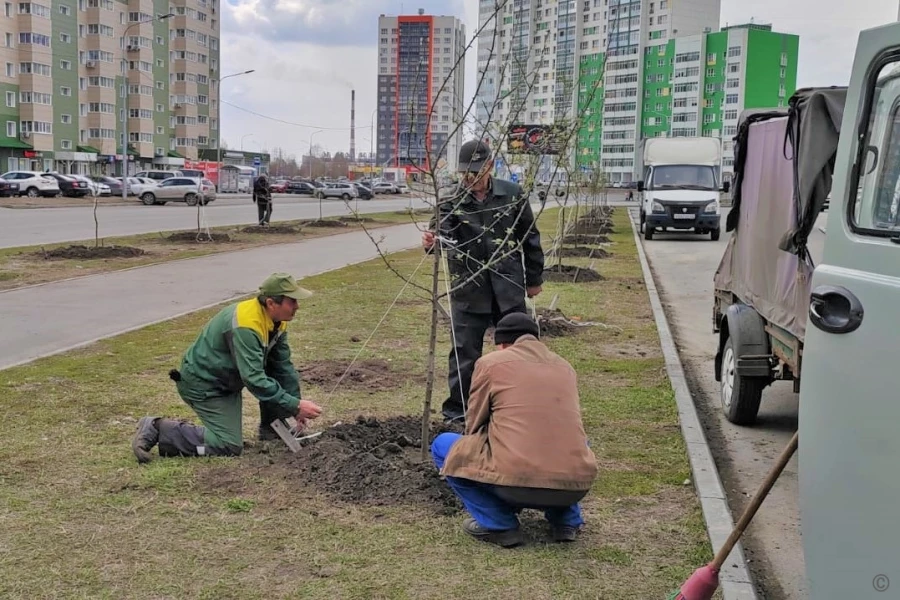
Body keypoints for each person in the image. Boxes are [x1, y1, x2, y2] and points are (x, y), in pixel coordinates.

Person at [431, 313, 598, 547]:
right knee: (569, 443)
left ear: (502, 343)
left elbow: (474, 422)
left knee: (443, 445)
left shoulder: (491, 363)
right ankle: (566, 520)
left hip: (515, 483)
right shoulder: (565, 367)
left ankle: (499, 524)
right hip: (575, 486)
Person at [131, 273, 323, 462]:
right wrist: (295, 405)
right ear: (272, 303)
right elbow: (254, 379)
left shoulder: (276, 321)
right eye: (292, 301)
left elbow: (282, 368)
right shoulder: (246, 325)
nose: (297, 306)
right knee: (227, 445)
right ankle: (159, 428)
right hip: (204, 384)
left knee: (271, 374)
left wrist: (293, 407)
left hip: (226, 383)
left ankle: (271, 429)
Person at [422, 139, 545, 424]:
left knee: (519, 350)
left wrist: (534, 278)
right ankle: (458, 412)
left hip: (508, 287)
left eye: (476, 172)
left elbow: (530, 237)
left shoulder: (512, 194)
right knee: (465, 354)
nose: (470, 178)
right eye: (465, 173)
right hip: (469, 289)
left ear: (489, 166)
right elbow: (441, 237)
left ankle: (519, 406)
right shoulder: (450, 200)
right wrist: (431, 241)